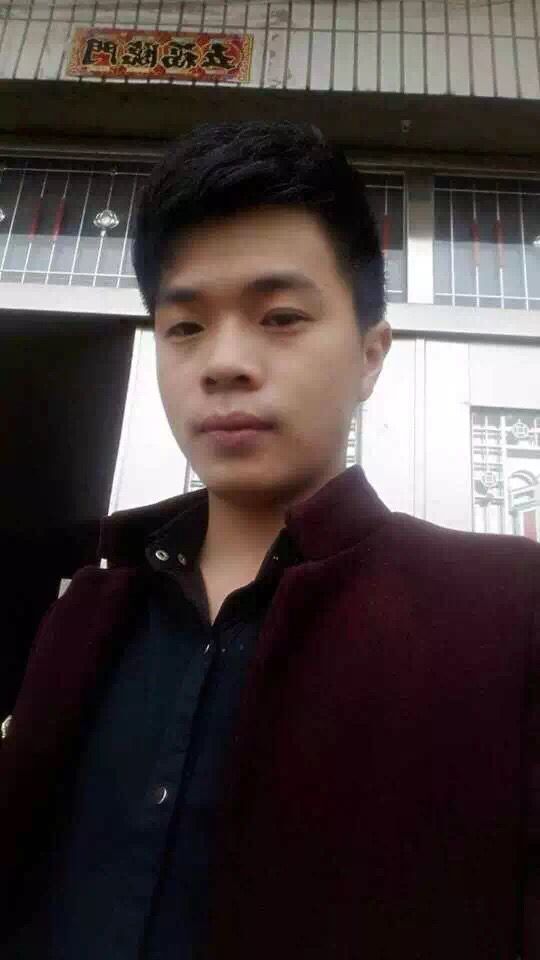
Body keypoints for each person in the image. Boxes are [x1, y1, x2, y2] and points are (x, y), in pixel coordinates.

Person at [1, 121, 539, 960]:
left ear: (371, 355)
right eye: (184, 327)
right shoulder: (80, 604)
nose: (223, 363)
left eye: (280, 316)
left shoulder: (508, 615)